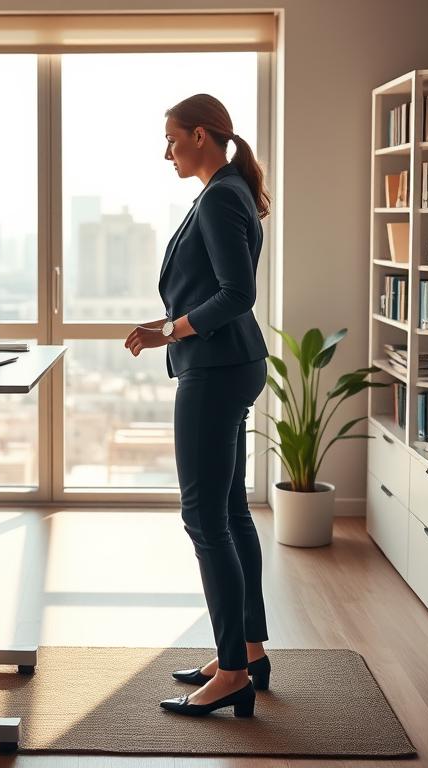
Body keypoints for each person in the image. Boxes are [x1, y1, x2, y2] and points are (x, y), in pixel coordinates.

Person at [124, 93, 272, 718]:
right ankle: (249, 652)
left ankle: (233, 671)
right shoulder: (227, 191)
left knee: (203, 519)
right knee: (231, 511)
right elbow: (220, 290)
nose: (167, 152)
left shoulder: (220, 197)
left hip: (215, 369)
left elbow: (238, 294)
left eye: (174, 139)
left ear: (204, 135)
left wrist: (173, 329)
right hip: (230, 363)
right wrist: (173, 325)